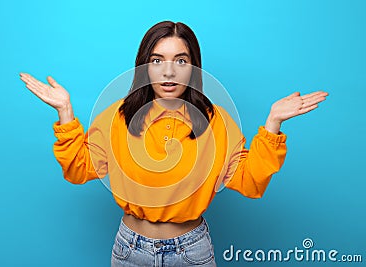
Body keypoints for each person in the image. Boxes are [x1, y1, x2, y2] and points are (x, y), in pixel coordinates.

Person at [19, 21, 328, 266]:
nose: (169, 71)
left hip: (191, 252)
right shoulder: (117, 116)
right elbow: (78, 169)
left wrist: (272, 124)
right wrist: (65, 113)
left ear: (193, 67)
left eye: (180, 60)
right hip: (130, 250)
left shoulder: (215, 121)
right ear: (144, 65)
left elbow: (249, 181)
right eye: (158, 60)